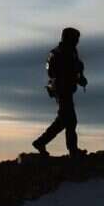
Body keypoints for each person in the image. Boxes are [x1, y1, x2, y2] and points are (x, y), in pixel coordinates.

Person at [32, 27, 87, 157]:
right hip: (62, 90)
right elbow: (56, 73)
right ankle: (72, 150)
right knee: (70, 120)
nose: (77, 41)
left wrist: (79, 77)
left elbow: (75, 69)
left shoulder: (71, 51)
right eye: (75, 38)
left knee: (64, 120)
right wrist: (74, 75)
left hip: (66, 89)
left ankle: (41, 142)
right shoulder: (59, 53)